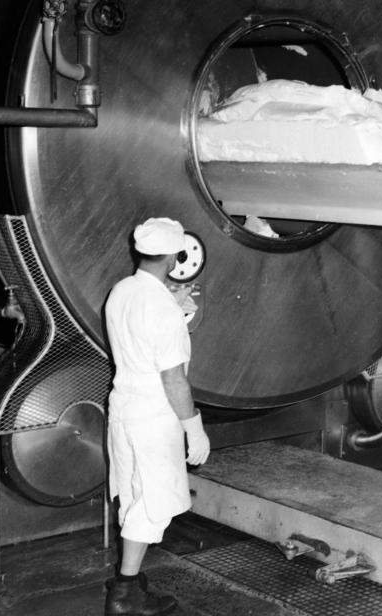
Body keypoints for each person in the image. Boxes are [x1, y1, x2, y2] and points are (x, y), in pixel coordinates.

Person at [104, 217, 211, 616]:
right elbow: (174, 380)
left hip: (124, 407)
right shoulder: (162, 308)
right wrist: (194, 429)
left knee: (133, 494)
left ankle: (126, 579)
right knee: (152, 504)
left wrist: (175, 304)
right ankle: (125, 595)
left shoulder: (122, 290)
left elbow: (139, 336)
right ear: (173, 256)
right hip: (154, 415)